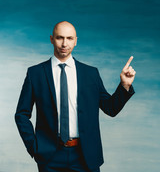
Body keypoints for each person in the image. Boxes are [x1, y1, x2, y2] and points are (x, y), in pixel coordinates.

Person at [15, 21, 136, 172]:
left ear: (76, 41)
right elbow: (21, 114)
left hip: (85, 156)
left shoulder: (90, 74)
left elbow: (110, 108)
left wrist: (125, 85)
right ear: (51, 39)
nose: (64, 43)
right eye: (60, 38)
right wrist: (34, 146)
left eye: (69, 38)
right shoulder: (35, 73)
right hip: (49, 156)